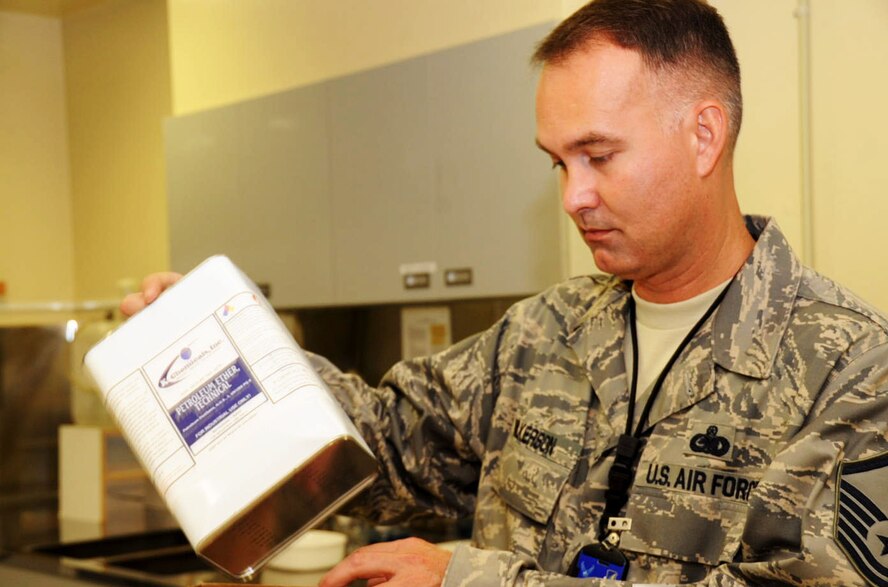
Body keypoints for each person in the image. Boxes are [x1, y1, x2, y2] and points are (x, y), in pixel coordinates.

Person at [123, 1, 888, 585]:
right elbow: (374, 447)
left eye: (597, 154)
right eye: (557, 162)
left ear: (704, 135)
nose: (573, 196)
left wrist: (465, 576)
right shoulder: (541, 334)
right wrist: (234, 353)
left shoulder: (850, 367)